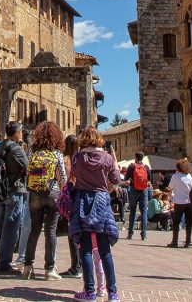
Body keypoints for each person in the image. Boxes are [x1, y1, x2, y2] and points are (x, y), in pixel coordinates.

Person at [69, 127, 121, 302]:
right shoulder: (106, 158)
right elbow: (116, 179)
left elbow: (73, 176)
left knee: (85, 250)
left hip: (83, 199)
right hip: (101, 200)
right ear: (99, 139)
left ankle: (89, 292)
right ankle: (113, 293)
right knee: (105, 250)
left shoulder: (78, 158)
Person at [22, 121, 67, 281]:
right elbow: (63, 176)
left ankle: (27, 266)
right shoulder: (56, 154)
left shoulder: (32, 153)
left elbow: (27, 171)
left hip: (34, 193)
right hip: (52, 193)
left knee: (34, 230)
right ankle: (49, 269)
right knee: (50, 231)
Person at [0, 121, 29, 275]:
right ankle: (3, 263)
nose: (21, 133)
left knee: (2, 226)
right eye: (20, 131)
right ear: (16, 132)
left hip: (1, 190)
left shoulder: (0, 146)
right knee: (11, 228)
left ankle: (1, 259)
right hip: (15, 190)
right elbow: (28, 167)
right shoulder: (16, 148)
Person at [60, 134, 82, 279]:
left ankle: (76, 266)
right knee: (80, 232)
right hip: (81, 196)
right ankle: (81, 264)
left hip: (69, 197)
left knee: (71, 233)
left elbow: (61, 179)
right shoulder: (81, 160)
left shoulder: (65, 160)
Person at [166, 158, 192, 247]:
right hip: (189, 202)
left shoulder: (175, 176)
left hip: (179, 202)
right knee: (189, 222)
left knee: (176, 222)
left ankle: (175, 241)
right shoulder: (191, 176)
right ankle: (188, 242)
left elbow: (170, 188)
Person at [124, 151, 151, 241]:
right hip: (144, 191)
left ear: (135, 157)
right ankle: (143, 235)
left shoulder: (131, 166)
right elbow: (149, 179)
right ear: (142, 158)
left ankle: (130, 234)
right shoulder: (146, 167)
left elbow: (126, 178)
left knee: (132, 212)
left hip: (133, 190)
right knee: (143, 212)